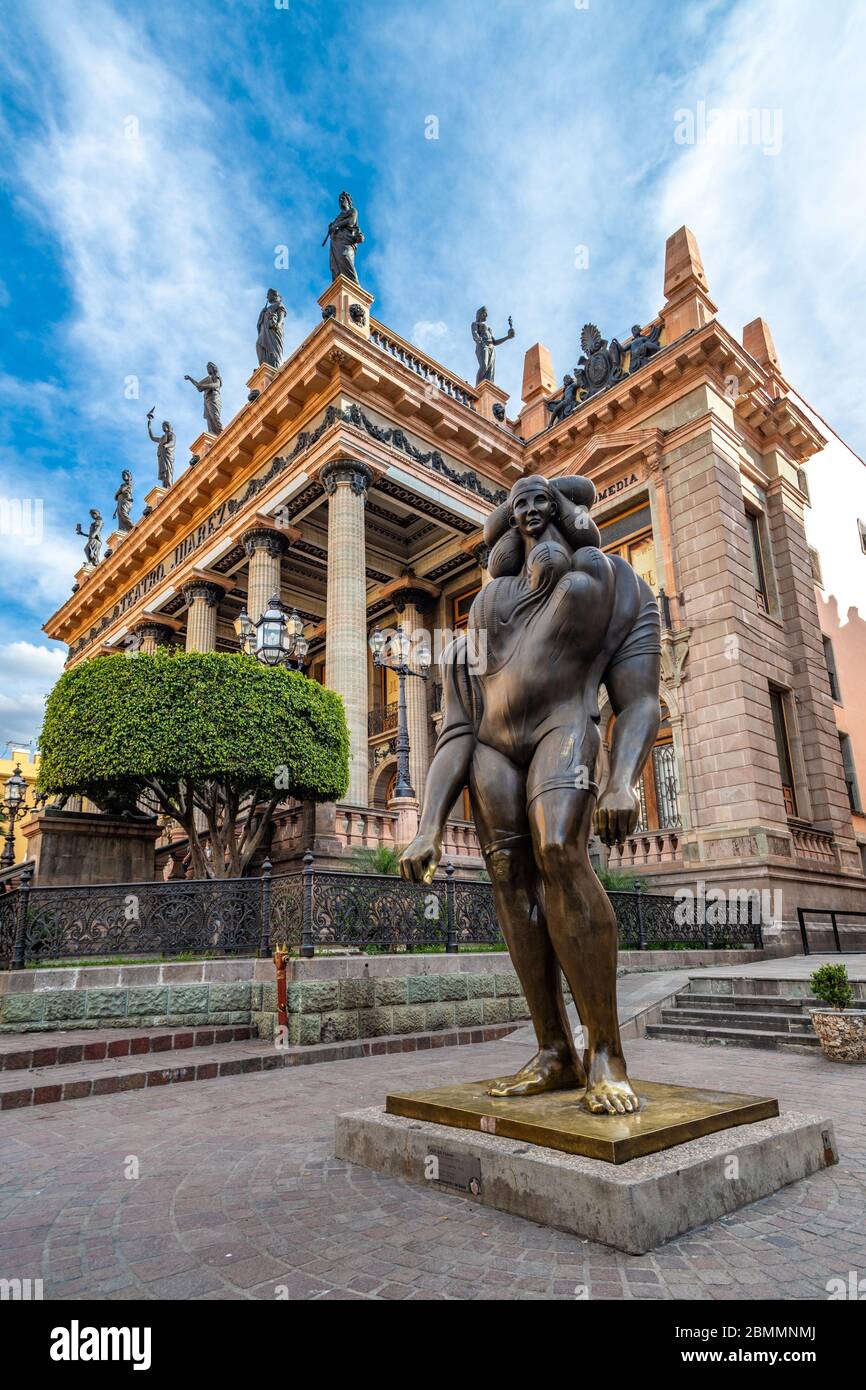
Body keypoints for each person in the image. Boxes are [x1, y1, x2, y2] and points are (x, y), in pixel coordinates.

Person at [400, 474, 661, 1115]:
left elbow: (641, 701)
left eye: (544, 501)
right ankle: (553, 1051)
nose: (532, 513)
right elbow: (456, 731)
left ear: (567, 510)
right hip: (491, 750)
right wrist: (429, 823)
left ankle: (606, 1052)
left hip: (563, 726)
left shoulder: (612, 581)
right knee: (508, 877)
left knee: (558, 850)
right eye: (519, 506)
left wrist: (624, 780)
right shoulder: (475, 624)